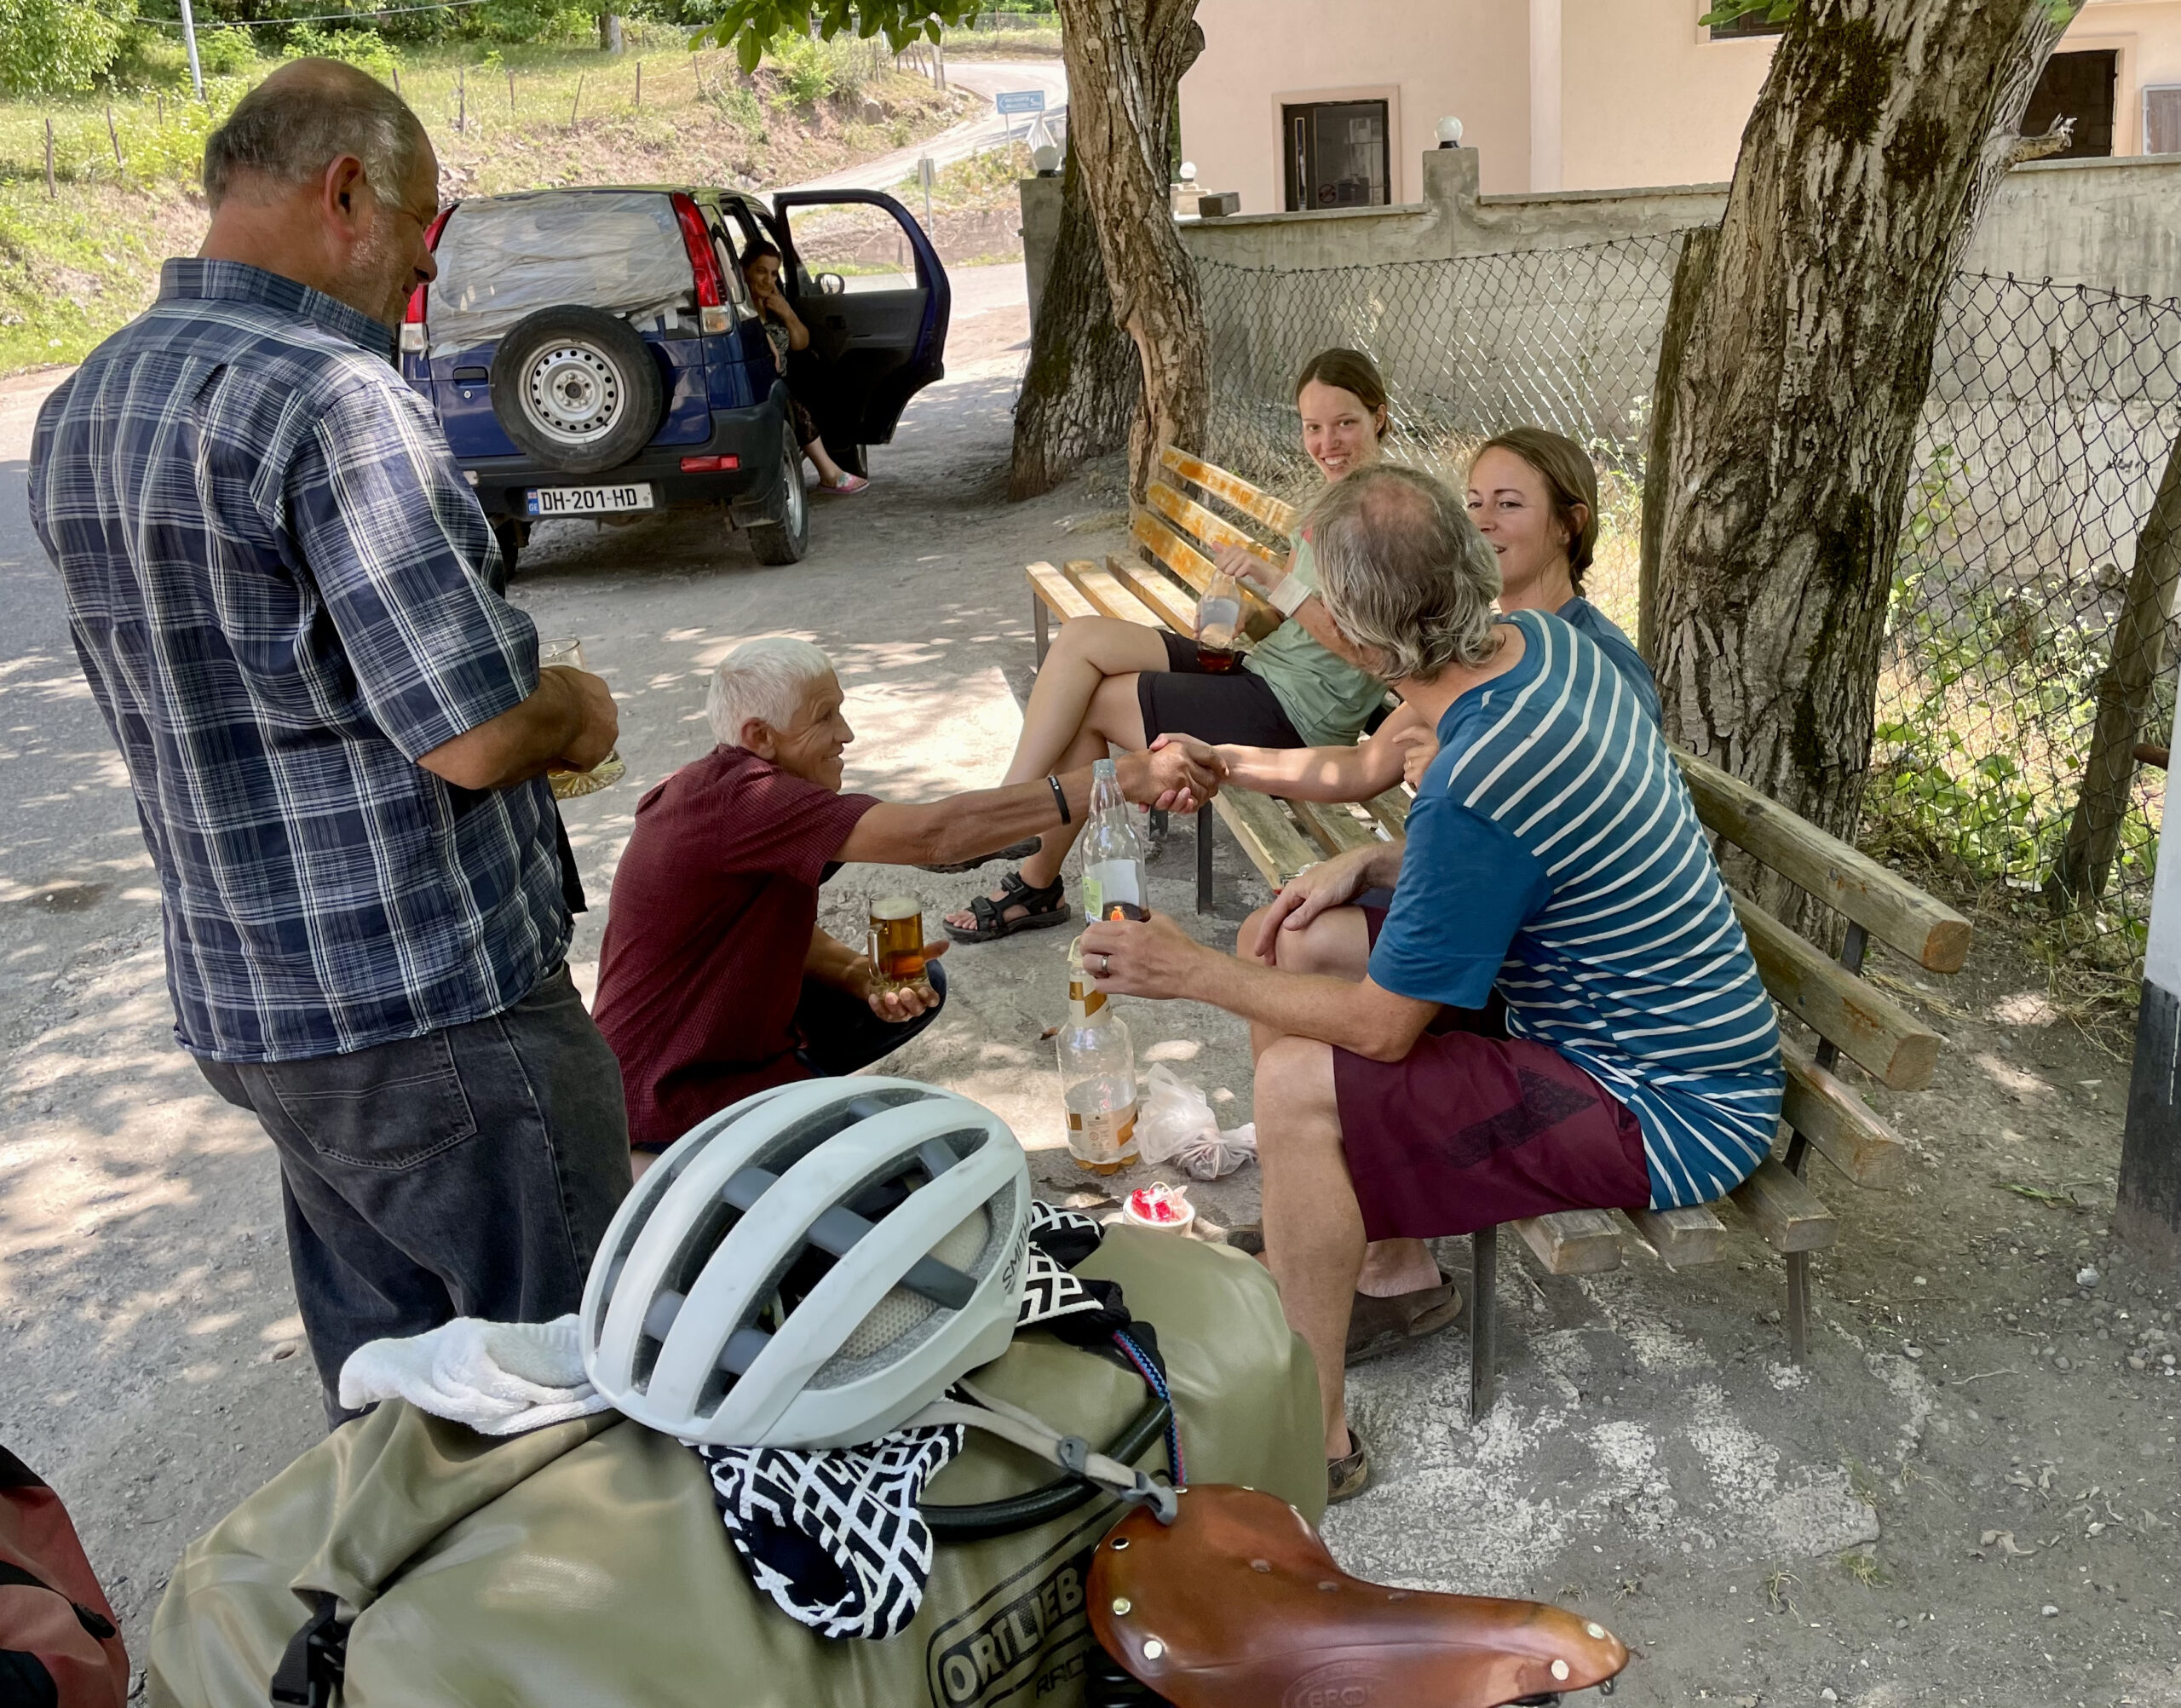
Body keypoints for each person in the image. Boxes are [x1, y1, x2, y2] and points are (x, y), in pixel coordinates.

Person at [26, 61, 631, 1426]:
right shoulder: (333, 399)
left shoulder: (89, 402)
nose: (423, 265)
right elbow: (477, 735)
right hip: (429, 1013)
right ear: (346, 192)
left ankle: (404, 1630)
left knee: (399, 1405)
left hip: (262, 1015)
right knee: (573, 1400)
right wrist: (580, 712)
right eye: (422, 222)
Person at [1079, 467, 1782, 1504]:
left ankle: (1310, 1439)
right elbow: (1527, 853)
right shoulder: (1542, 647)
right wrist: (1367, 865)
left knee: (1296, 1083)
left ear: (1362, 649)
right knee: (1304, 941)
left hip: (1665, 1101)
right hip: (1615, 1020)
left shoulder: (1479, 773)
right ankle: (1375, 1268)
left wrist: (1190, 972)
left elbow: (1379, 1029)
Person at [593, 637, 1221, 1175]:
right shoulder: (747, 800)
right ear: (760, 736)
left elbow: (757, 919)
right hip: (669, 1091)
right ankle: (683, 1152)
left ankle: (795, 1097)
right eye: (825, 717)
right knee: (936, 1168)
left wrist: (854, 971)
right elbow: (936, 837)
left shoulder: (734, 792)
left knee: (920, 982)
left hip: (703, 1059)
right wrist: (1118, 777)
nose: (847, 734)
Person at [945, 348, 1395, 944]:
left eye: (1345, 423)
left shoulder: (1393, 513)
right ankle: (1012, 820)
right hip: (1258, 671)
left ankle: (1021, 851)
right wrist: (1243, 614)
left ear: (1380, 418)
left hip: (1299, 717)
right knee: (1082, 637)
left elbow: (1368, 647)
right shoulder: (1323, 501)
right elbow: (1286, 617)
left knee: (1094, 703)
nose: (1327, 442)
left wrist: (1272, 582)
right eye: (1313, 426)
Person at [741, 239, 871, 496]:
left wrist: (787, 313)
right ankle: (829, 473)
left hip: (786, 377)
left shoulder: (773, 302)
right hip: (762, 385)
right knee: (795, 403)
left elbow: (800, 343)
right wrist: (760, 333)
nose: (768, 280)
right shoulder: (740, 309)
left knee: (835, 380)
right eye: (760, 271)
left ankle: (842, 458)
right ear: (744, 270)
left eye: (774, 273)